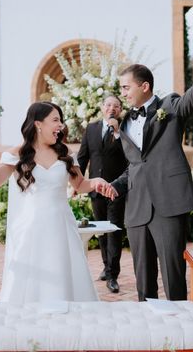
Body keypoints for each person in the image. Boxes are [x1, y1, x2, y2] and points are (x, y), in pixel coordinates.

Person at [105, 27, 193, 301]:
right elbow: (136, 165)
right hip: (136, 210)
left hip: (169, 205)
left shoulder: (170, 107)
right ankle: (151, 335)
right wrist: (115, 187)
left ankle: (179, 334)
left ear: (144, 86)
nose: (122, 93)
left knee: (173, 275)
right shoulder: (124, 123)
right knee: (142, 281)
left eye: (126, 87)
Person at [0, 101, 116, 304]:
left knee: (63, 275)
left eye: (61, 121)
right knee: (31, 280)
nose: (61, 125)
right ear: (38, 124)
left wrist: (97, 182)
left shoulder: (64, 154)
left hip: (62, 227)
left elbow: (81, 184)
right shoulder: (18, 154)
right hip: (31, 230)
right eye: (55, 120)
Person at [77, 94, 128, 293]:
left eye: (116, 106)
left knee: (114, 230)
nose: (111, 109)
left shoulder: (125, 130)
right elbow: (83, 157)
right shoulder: (91, 128)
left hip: (116, 189)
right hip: (95, 189)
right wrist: (77, 182)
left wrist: (117, 134)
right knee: (100, 230)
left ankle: (113, 274)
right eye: (108, 105)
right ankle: (107, 267)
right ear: (102, 107)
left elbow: (129, 156)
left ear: (120, 109)